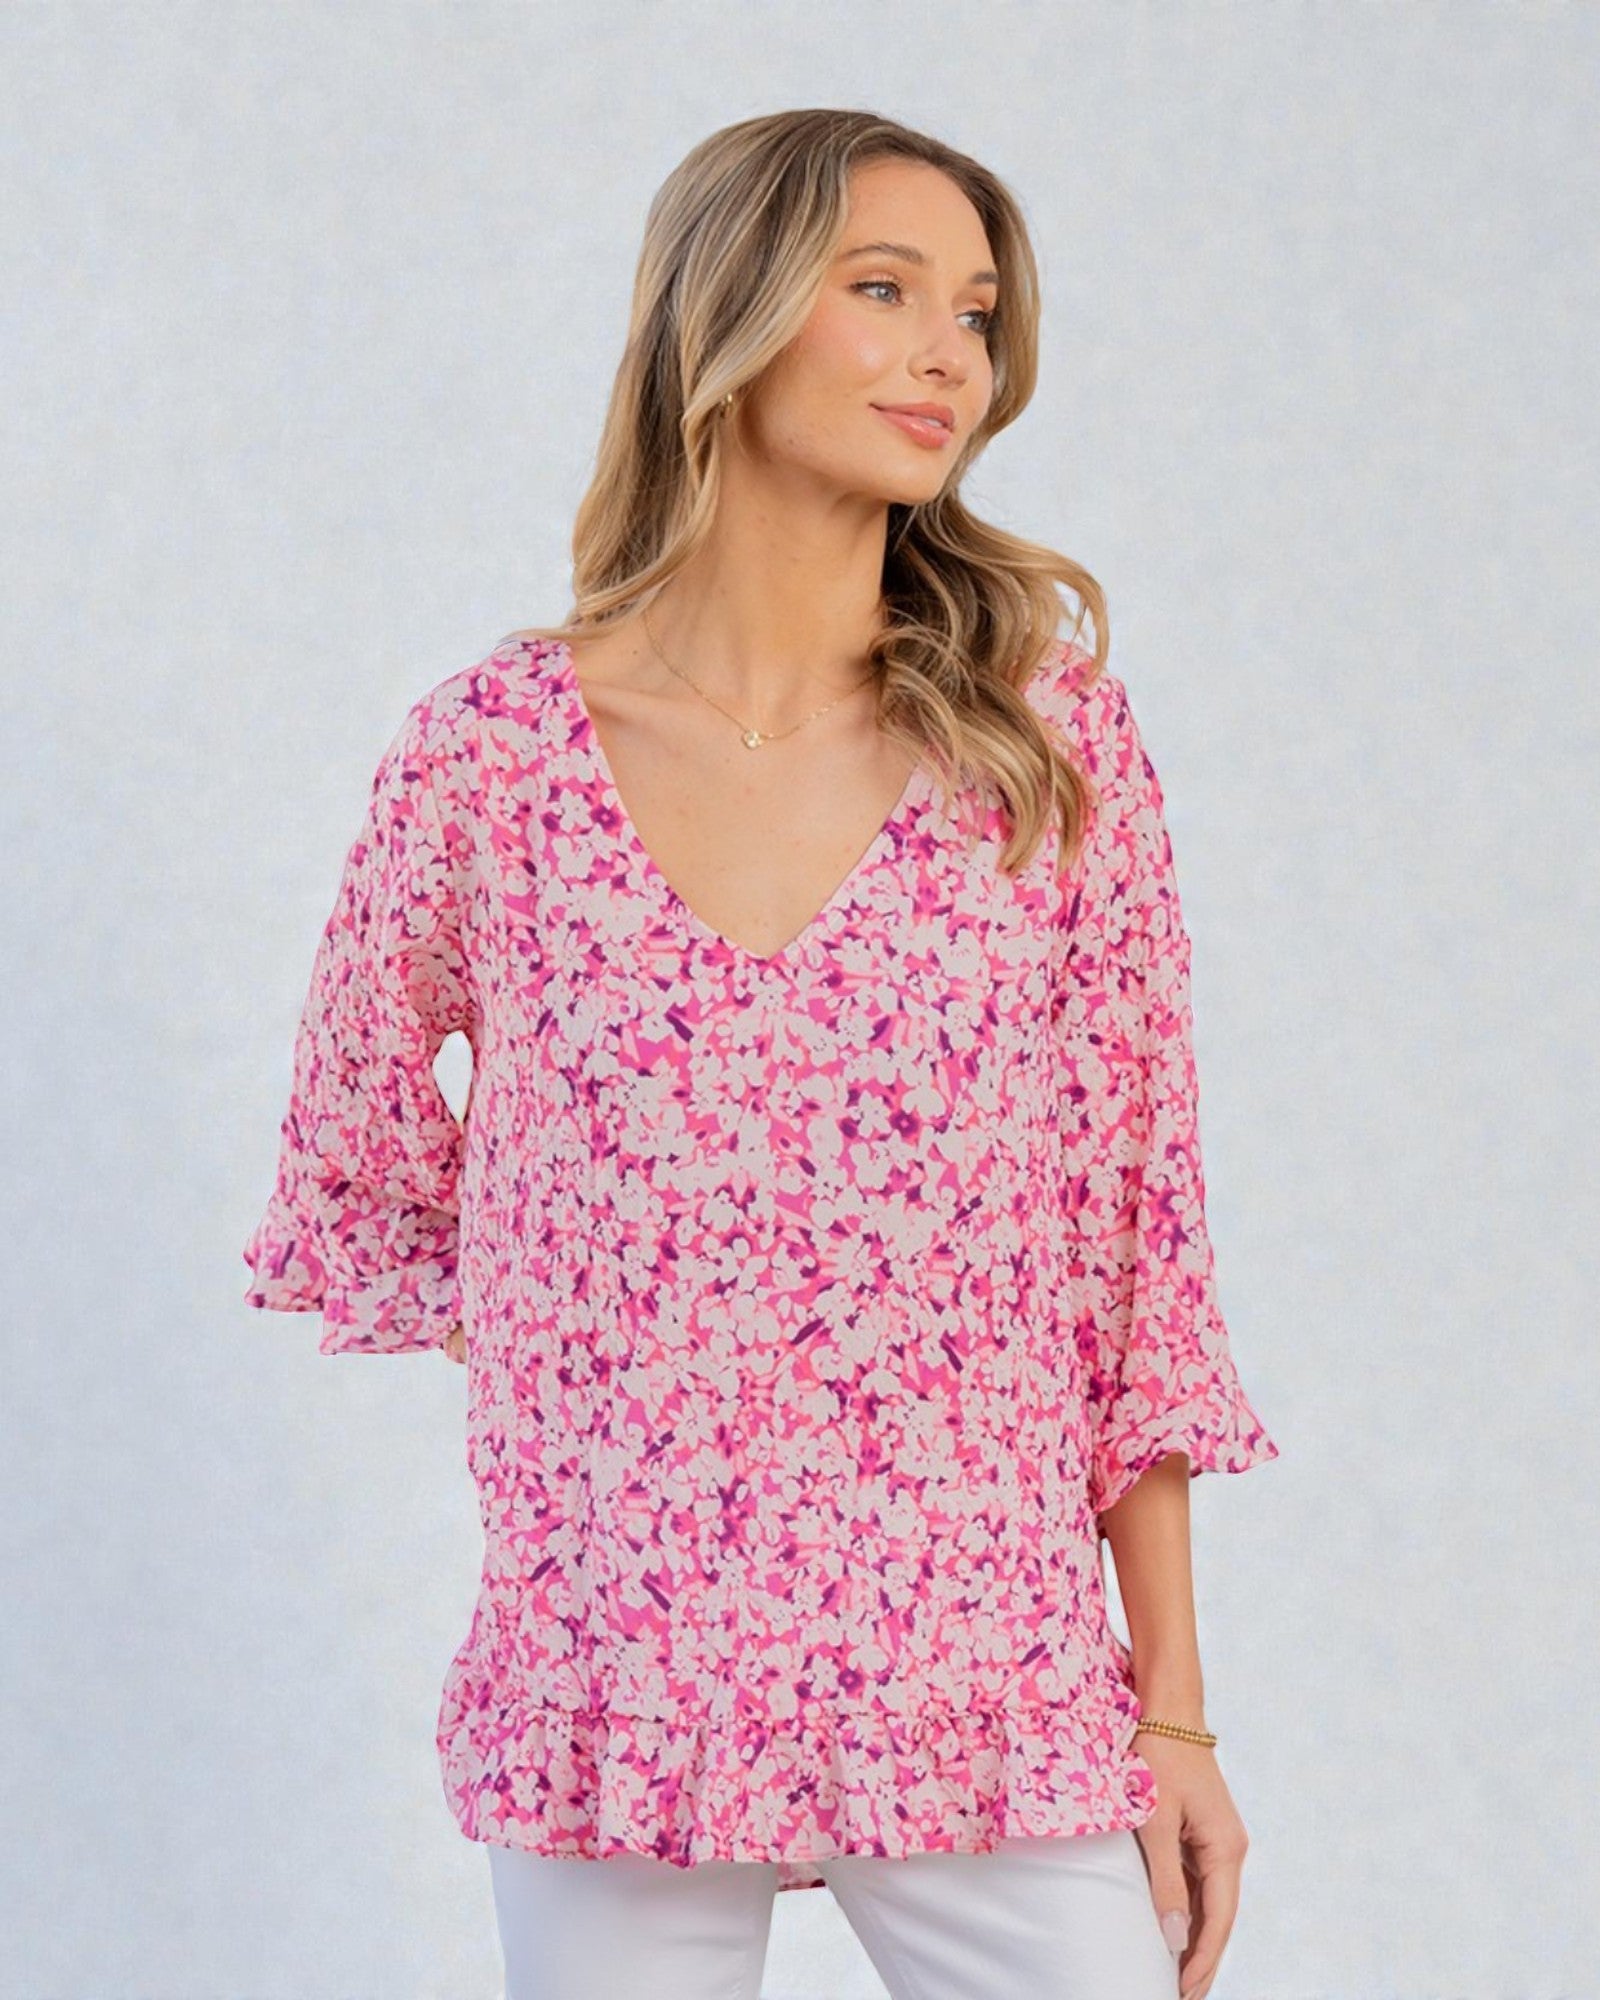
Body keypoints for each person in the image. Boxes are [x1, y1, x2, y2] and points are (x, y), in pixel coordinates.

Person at [242, 107, 1280, 2000]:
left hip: (986, 1667)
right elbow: (368, 1170)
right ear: (722, 320)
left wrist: (1179, 1716)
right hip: (616, 1676)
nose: (947, 350)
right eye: (880, 291)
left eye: (974, 309)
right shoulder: (491, 759)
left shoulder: (1045, 760)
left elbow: (1137, 1254)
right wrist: (641, 1369)